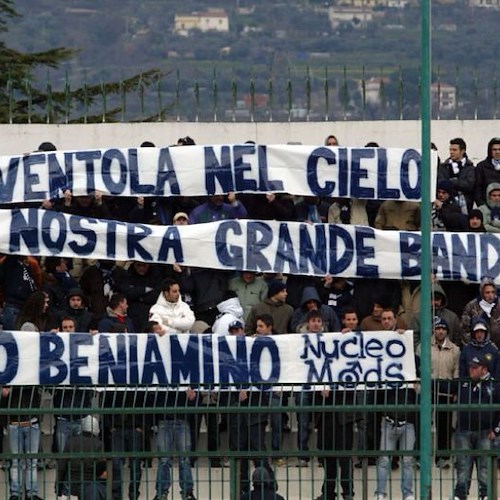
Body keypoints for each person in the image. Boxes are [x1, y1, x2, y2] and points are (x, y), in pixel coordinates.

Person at [449, 354, 500, 500]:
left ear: (484, 369)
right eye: (470, 367)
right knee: (463, 465)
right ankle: (460, 493)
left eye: (475, 368)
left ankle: (485, 493)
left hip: (485, 431)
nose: (471, 370)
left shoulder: (494, 385)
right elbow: (442, 385)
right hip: (464, 430)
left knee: (484, 466)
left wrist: (496, 430)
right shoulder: (462, 383)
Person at [417, 317, 459, 469]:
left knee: (444, 425)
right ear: (433, 330)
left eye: (443, 329)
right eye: (438, 328)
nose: (440, 331)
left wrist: (455, 390)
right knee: (423, 424)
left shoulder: (455, 349)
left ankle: (443, 457)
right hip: (428, 390)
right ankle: (420, 457)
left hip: (446, 391)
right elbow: (419, 368)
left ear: (447, 331)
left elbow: (457, 372)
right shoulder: (424, 347)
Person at [153, 386, 198, 500]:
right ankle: (162, 492)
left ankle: (187, 492)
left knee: (184, 459)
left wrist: (192, 398)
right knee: (164, 459)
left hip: (181, 418)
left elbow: (195, 399)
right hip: (164, 419)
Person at [2, 385, 44, 500]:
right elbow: (4, 396)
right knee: (16, 462)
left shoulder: (31, 377)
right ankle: (17, 493)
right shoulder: (10, 377)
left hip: (31, 423)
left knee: (31, 462)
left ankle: (31, 493)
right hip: (15, 423)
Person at [56, 415, 105, 500]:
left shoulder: (71, 442)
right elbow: (100, 466)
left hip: (71, 482)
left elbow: (62, 466)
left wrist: (58, 486)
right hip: (90, 483)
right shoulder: (98, 444)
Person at [437, 137, 475, 213]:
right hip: (445, 205)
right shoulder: (443, 166)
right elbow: (440, 183)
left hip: (465, 205)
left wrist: (453, 182)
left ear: (462, 151)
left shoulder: (470, 167)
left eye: (454, 150)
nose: (451, 152)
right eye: (450, 150)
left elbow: (469, 185)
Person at [461, 276, 500, 348]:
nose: (490, 295)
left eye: (492, 292)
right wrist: (472, 348)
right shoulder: (471, 306)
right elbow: (465, 330)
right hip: (477, 351)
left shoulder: (499, 305)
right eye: (487, 292)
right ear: (482, 293)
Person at [474, 137, 500, 207]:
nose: (497, 152)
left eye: (499, 149)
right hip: (486, 207)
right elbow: (478, 189)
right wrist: (483, 206)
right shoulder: (481, 166)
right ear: (490, 151)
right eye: (494, 149)